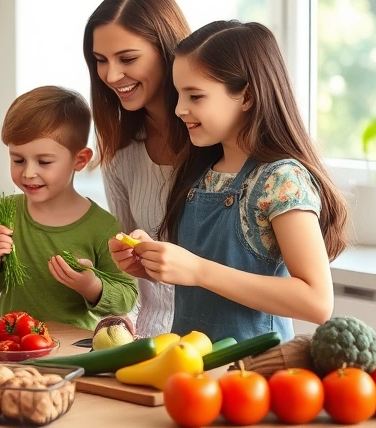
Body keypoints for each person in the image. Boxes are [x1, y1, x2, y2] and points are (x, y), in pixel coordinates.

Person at [110, 20, 349, 341]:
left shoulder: (281, 179)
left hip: (254, 377)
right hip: (192, 369)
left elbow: (317, 301)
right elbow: (198, 279)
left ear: (246, 96)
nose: (180, 109)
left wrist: (198, 271)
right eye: (179, 95)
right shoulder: (199, 172)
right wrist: (150, 261)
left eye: (195, 96)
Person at [0, 86, 137, 331]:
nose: (28, 172)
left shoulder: (103, 227)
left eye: (44, 162)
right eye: (18, 160)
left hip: (76, 353)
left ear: (79, 160)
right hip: (15, 347)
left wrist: (92, 286)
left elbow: (128, 296)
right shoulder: (4, 212)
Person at [84, 0, 191, 338]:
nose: (111, 76)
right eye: (101, 61)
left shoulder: (217, 142)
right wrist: (119, 321)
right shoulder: (121, 154)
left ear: (167, 51)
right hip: (149, 342)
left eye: (127, 59)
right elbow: (128, 273)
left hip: (218, 345)